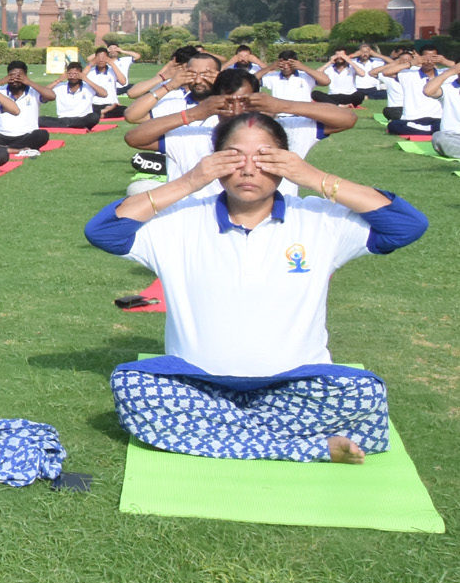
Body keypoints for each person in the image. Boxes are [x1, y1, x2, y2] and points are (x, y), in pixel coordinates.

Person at [85, 114, 427, 464]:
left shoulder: (320, 219)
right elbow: (103, 233)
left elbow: (405, 226)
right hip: (198, 385)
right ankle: (302, 446)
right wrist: (192, 180)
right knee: (132, 387)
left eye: (265, 158)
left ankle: (222, 432)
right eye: (234, 157)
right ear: (214, 161)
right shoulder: (178, 221)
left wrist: (312, 177)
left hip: (297, 386)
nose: (248, 169)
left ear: (286, 161)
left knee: (365, 395)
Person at [121, 69, 356, 197]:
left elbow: (348, 119)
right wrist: (194, 115)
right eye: (228, 102)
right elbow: (134, 138)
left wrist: (282, 105)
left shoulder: (285, 131)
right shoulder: (196, 133)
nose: (236, 109)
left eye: (245, 101)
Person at [371, 51, 446, 135]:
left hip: (436, 118)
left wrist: (445, 61)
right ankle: (430, 130)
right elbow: (385, 72)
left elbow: (456, 69)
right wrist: (411, 63)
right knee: (393, 125)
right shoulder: (408, 74)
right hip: (412, 118)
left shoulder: (444, 74)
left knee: (445, 125)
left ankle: (424, 129)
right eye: (425, 58)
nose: (428, 61)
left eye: (432, 58)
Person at [0, 61, 50, 154]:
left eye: (19, 76)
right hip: (3, 135)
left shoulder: (33, 91)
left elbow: (51, 96)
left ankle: (7, 149)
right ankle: (16, 148)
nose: (15, 79)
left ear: (25, 76)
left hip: (27, 135)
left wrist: (29, 82)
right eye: (12, 76)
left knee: (42, 135)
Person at [47, 60, 112, 131]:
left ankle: (69, 126)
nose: (73, 76)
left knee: (94, 117)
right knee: (41, 119)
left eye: (76, 74)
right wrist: (58, 80)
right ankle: (74, 126)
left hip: (83, 118)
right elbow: (43, 92)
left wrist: (86, 79)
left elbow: (104, 94)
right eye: (70, 74)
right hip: (64, 119)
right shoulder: (60, 86)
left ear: (81, 74)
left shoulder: (88, 86)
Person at [422, 57, 460, 159]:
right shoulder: (448, 89)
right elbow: (428, 91)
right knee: (438, 138)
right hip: (453, 137)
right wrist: (450, 72)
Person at [258, 50, 327, 104]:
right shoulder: (273, 77)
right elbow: (251, 80)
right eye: (283, 64)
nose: (286, 67)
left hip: (303, 117)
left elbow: (326, 81)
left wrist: (303, 67)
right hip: (280, 116)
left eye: (289, 64)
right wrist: (270, 67)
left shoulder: (306, 76)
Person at [86, 47, 131, 118]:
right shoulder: (90, 71)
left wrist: (112, 64)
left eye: (104, 57)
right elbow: (80, 78)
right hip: (94, 104)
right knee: (84, 111)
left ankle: (101, 113)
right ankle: (103, 113)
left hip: (111, 104)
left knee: (127, 111)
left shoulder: (112, 70)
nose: (101, 60)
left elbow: (123, 82)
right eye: (99, 57)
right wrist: (90, 64)